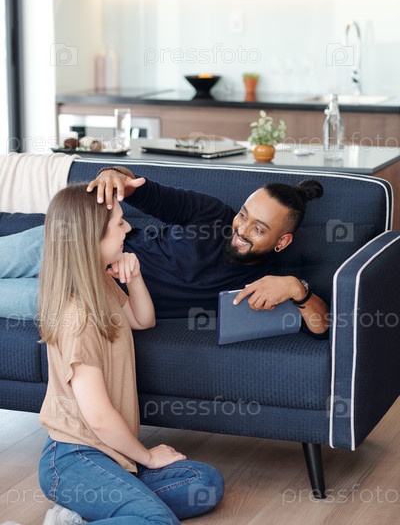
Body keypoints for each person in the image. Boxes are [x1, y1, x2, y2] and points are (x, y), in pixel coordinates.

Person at [38, 183, 224, 525]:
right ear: (92, 237)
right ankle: (107, 505)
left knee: (205, 483)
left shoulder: (99, 283)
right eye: (120, 223)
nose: (128, 229)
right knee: (157, 521)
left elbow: (142, 319)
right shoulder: (78, 318)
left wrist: (134, 277)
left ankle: (82, 511)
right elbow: (97, 417)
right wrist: (148, 457)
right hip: (74, 456)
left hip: (111, 452)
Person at [0, 169, 329, 336]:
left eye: (259, 229)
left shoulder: (266, 283)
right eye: (243, 215)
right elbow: (140, 189)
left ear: (282, 242)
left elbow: (322, 327)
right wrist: (113, 174)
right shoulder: (212, 214)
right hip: (75, 242)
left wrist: (297, 289)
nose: (241, 229)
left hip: (88, 296)